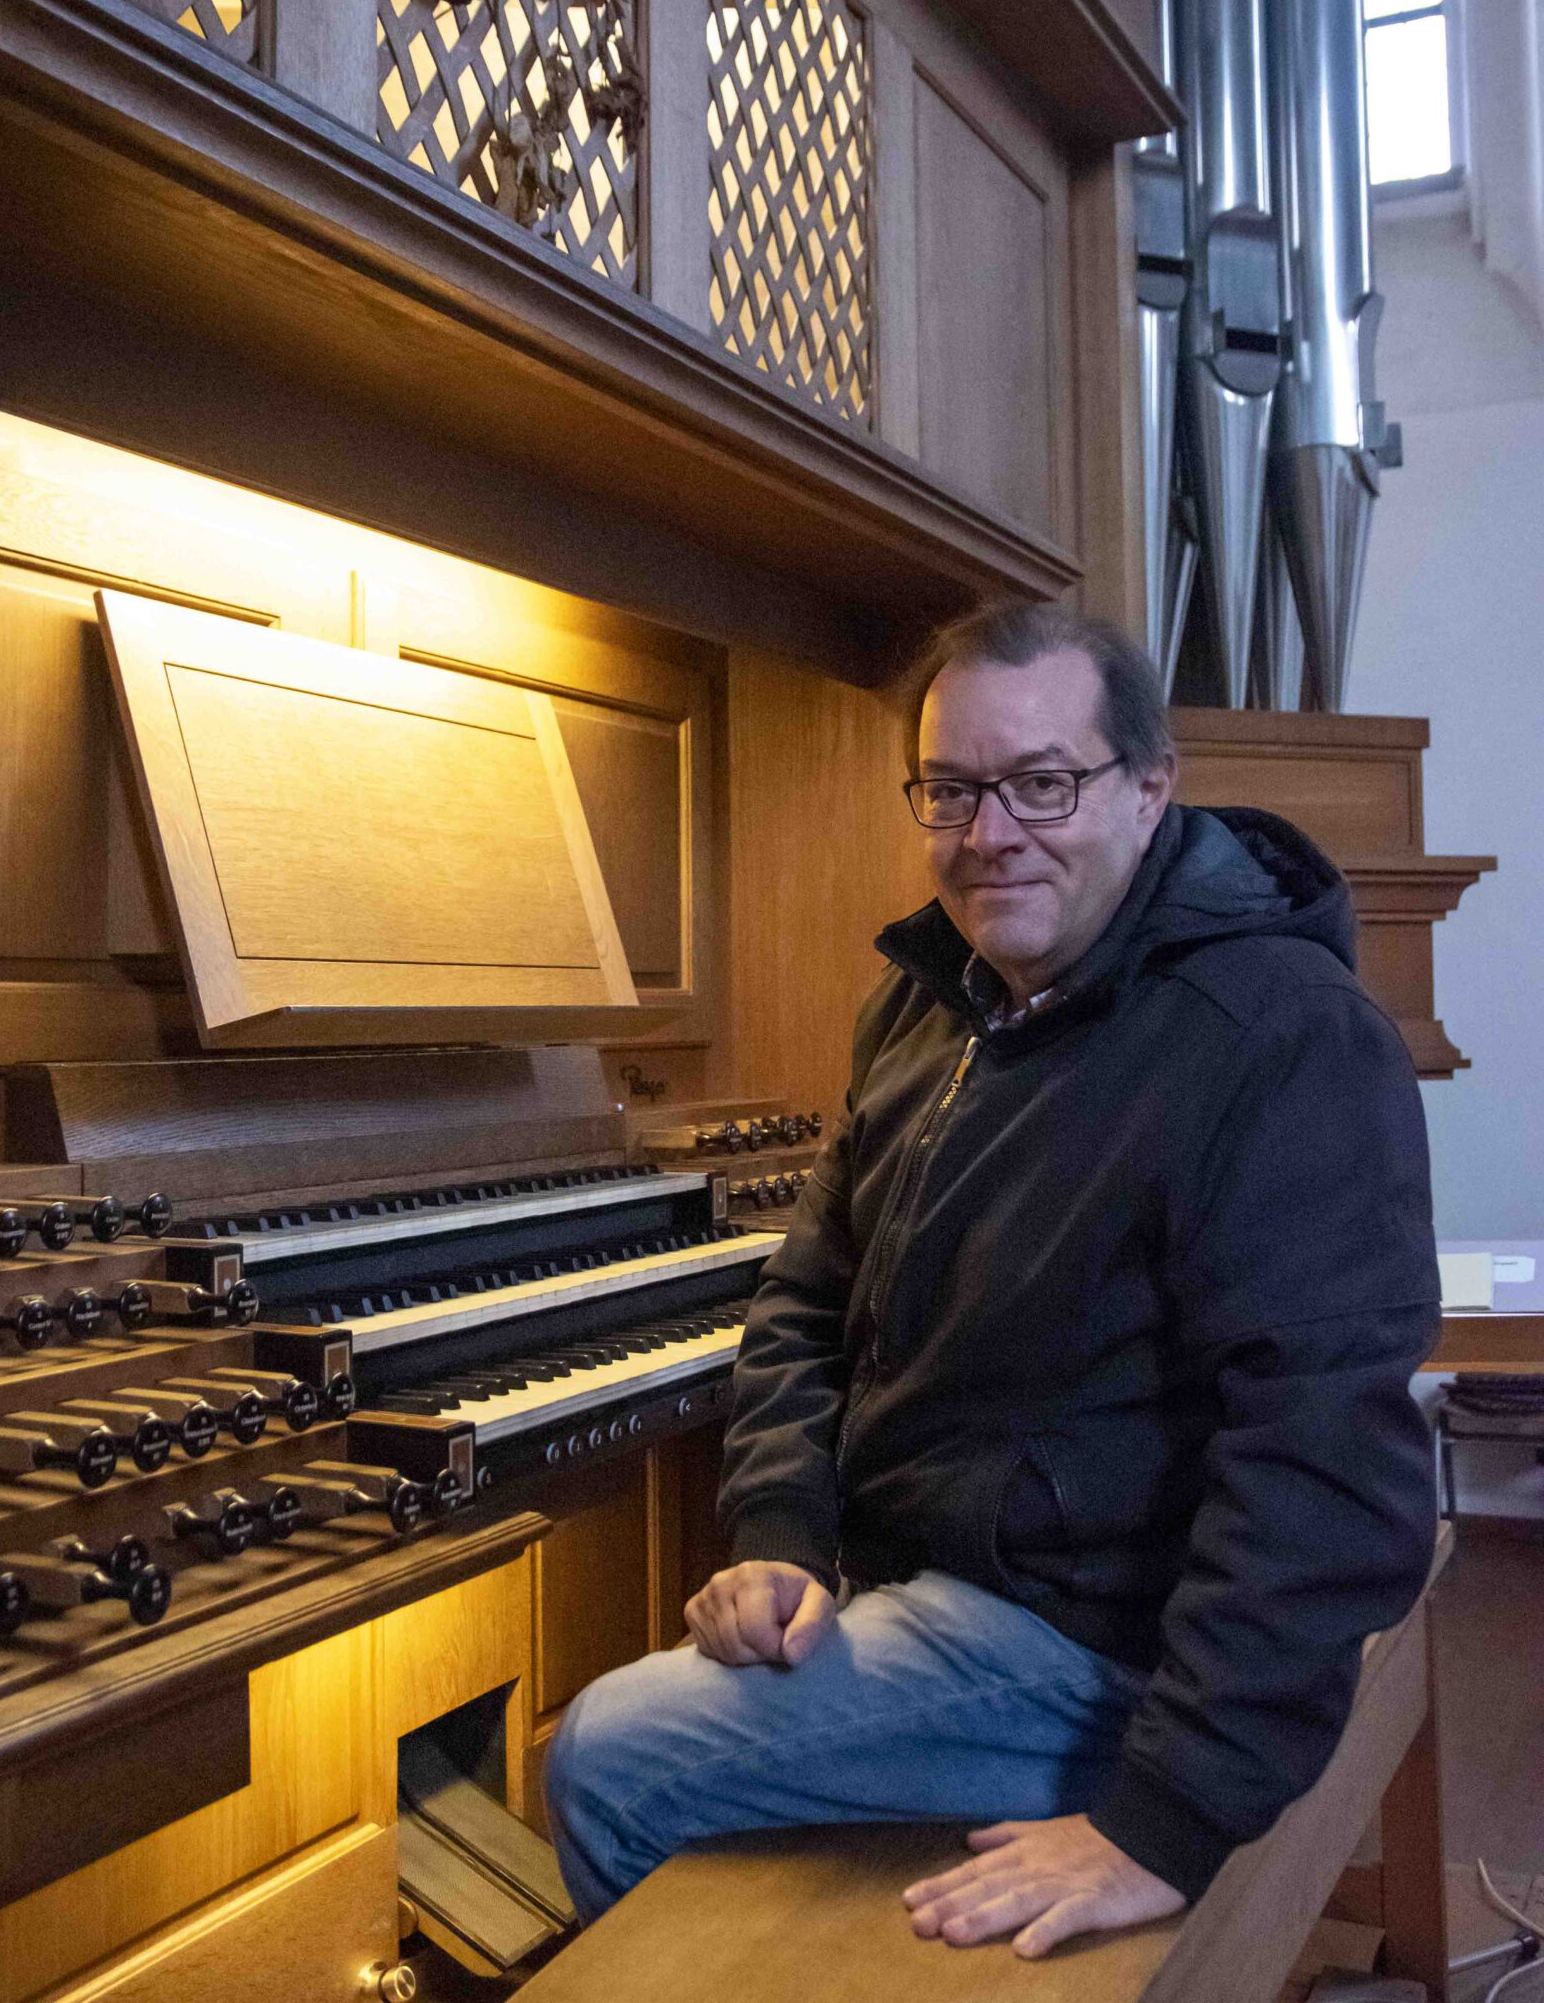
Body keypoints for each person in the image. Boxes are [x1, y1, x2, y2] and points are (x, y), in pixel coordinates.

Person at [545, 601, 1440, 1957]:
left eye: (1042, 783)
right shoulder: (929, 1002)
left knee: (605, 1753)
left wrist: (1167, 1818)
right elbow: (803, 1299)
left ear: (1148, 792)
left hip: (1101, 1644)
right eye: (953, 790)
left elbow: (1325, 1460)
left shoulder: (1283, 1037)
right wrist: (781, 1533)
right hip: (935, 1574)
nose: (988, 833)